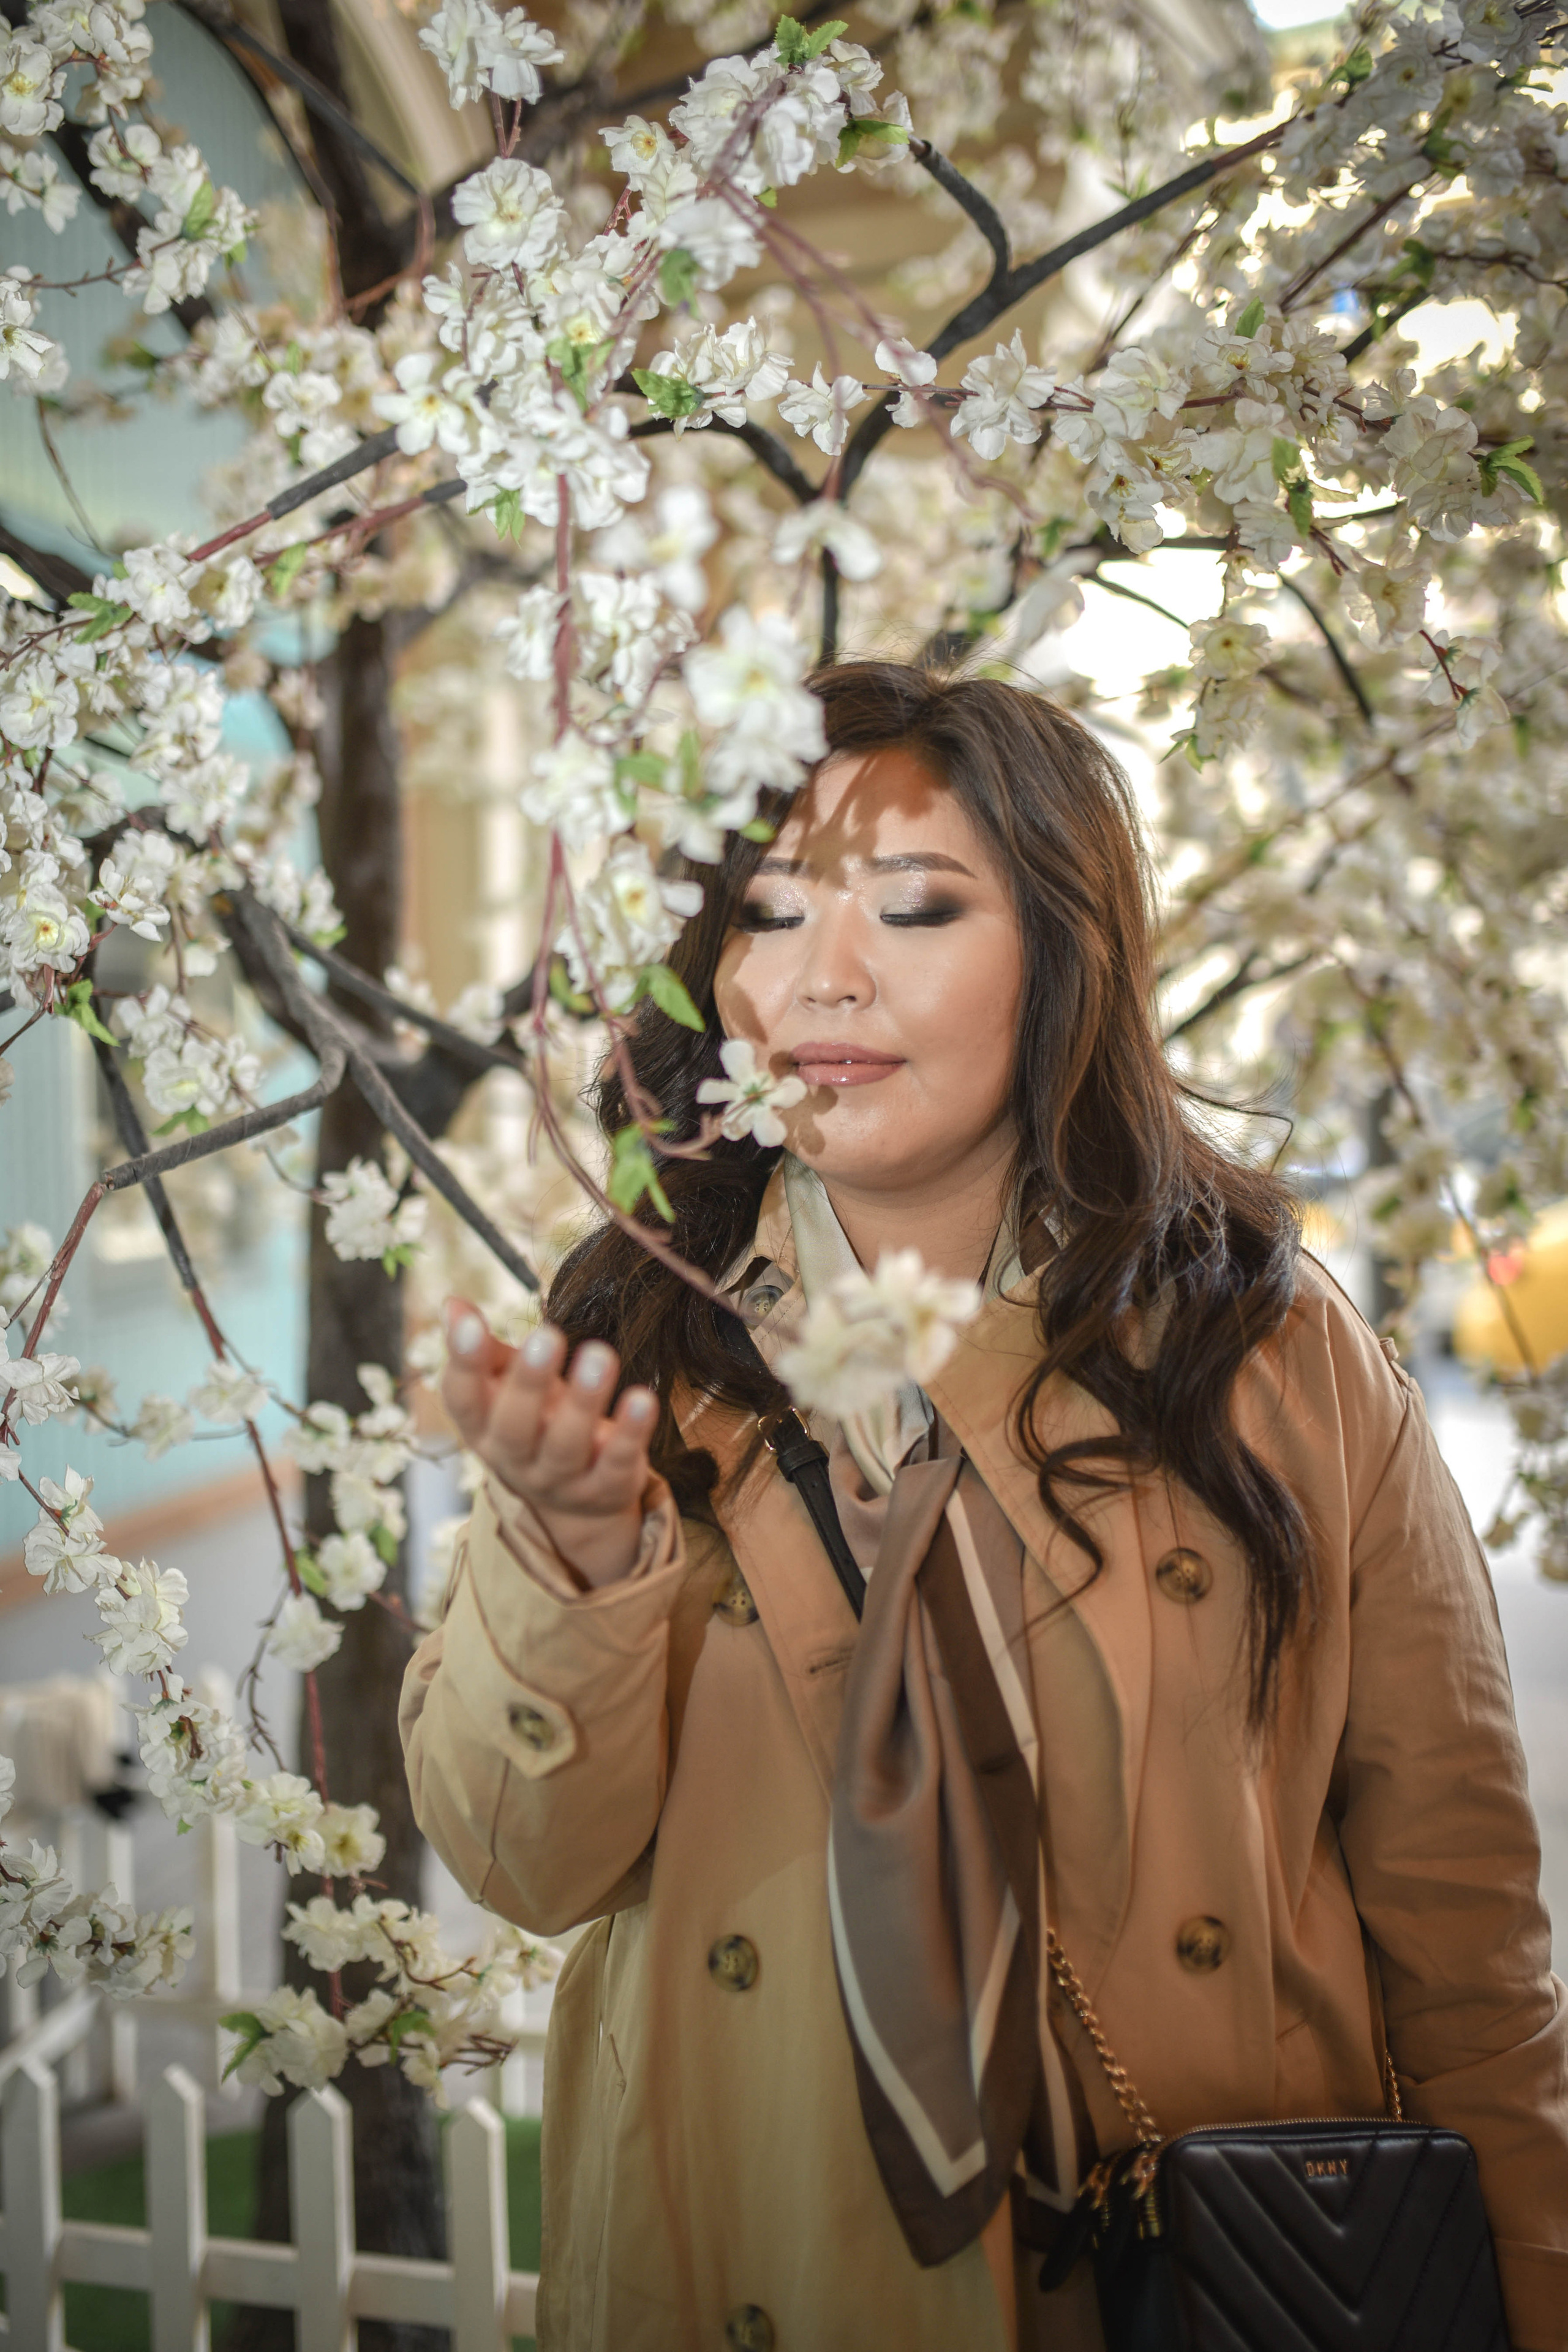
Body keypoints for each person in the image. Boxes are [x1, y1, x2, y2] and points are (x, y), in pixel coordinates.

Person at [400, 661, 1568, 2352]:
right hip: (758, 2259)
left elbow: (1466, 1922)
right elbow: (522, 1866)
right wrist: (576, 1566)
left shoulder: (1270, 1351)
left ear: (1063, 956)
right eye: (769, 914)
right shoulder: (639, 1331)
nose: (826, 980)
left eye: (920, 908)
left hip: (1203, 2268)